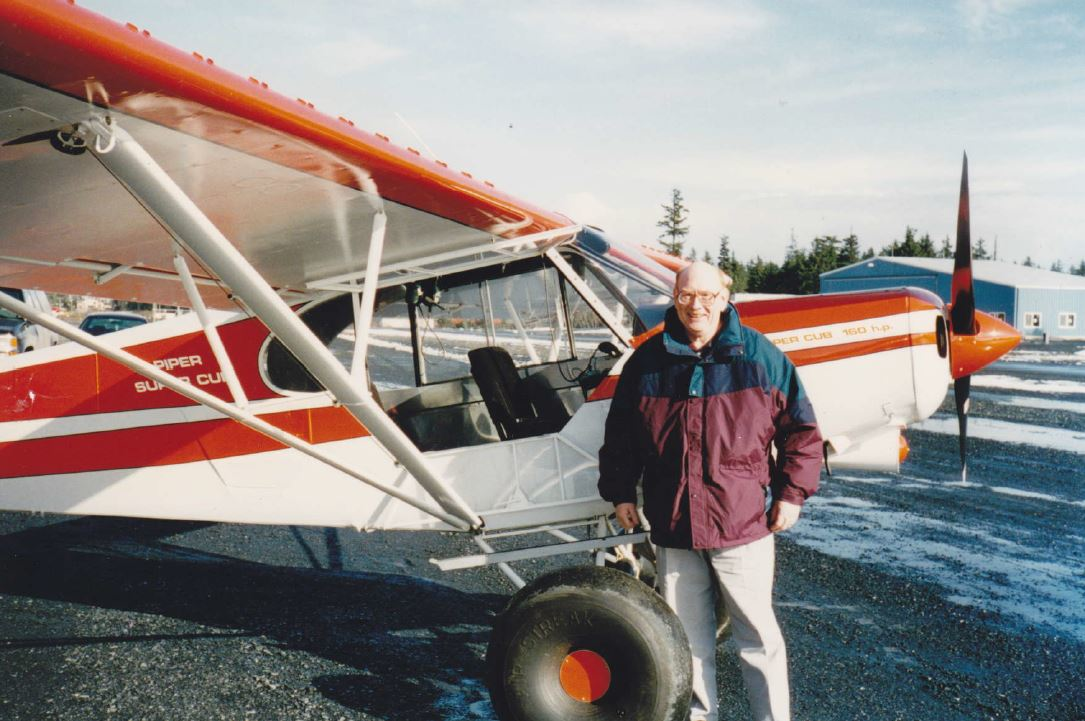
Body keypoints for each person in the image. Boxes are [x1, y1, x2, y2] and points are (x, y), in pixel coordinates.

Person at [597, 260, 822, 721]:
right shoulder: (647, 362)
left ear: (725, 298)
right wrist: (621, 493)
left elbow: (802, 431)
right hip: (674, 525)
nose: (696, 306)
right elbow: (621, 435)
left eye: (707, 296)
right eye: (686, 295)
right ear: (674, 299)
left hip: (741, 524)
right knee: (686, 641)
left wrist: (791, 494)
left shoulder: (760, 358)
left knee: (757, 637)